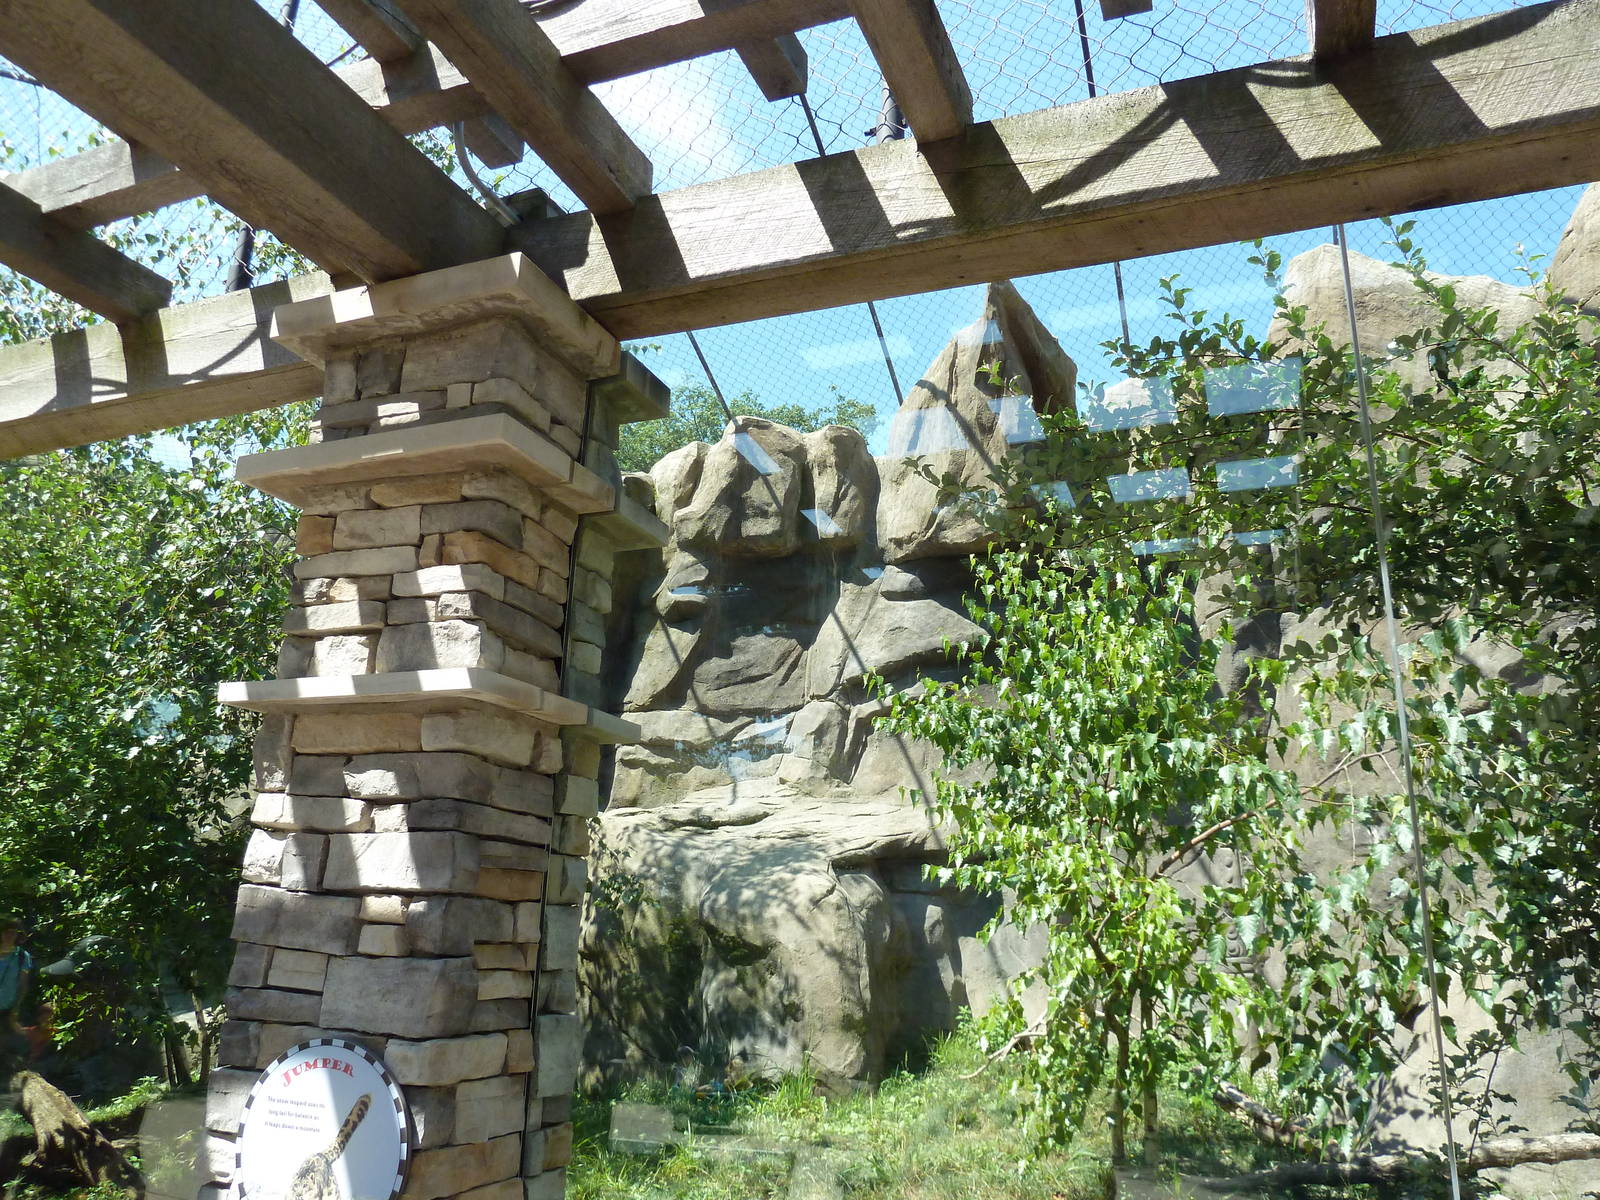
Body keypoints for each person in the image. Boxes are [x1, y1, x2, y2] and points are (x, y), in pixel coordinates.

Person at [0, 914, 34, 1083]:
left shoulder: (22, 957)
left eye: (13, 932)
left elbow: (23, 984)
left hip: (7, 1008)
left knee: (6, 1043)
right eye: (6, 932)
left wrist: (16, 1008)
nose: (9, 936)